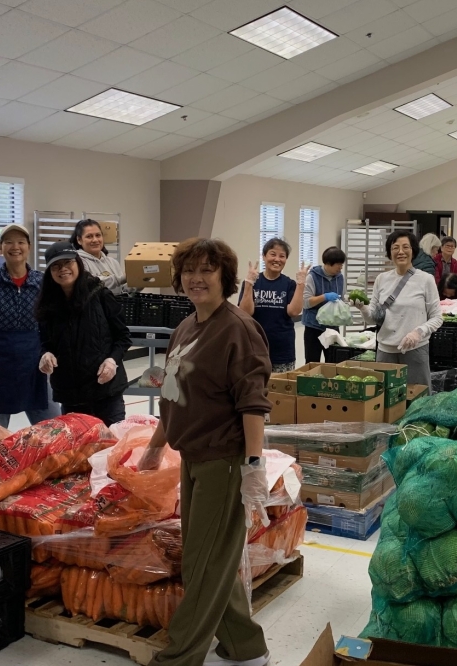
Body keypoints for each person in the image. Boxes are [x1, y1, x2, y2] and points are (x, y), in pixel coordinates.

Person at [137, 238, 272, 666]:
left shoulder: (238, 329)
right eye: (189, 270)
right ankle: (245, 647)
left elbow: (252, 403)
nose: (197, 278)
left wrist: (254, 465)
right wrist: (156, 447)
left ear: (225, 277)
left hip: (225, 460)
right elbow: (174, 394)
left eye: (207, 270)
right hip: (193, 458)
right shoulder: (188, 326)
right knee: (211, 557)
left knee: (202, 563)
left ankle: (179, 657)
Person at [0, 223, 60, 432]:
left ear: (28, 246)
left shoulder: (41, 281)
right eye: (9, 242)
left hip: (34, 363)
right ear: (1, 247)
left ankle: (55, 464)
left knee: (53, 430)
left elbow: (51, 323)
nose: (15, 247)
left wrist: (51, 352)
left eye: (21, 242)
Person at [36, 242, 132, 427]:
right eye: (56, 266)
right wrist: (45, 355)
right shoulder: (48, 304)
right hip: (71, 393)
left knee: (112, 446)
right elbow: (45, 342)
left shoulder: (100, 293)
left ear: (78, 263)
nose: (63, 269)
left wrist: (112, 361)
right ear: (49, 272)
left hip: (106, 389)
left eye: (67, 263)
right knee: (79, 451)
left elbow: (122, 337)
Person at [353, 230, 441, 388]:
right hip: (385, 351)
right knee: (385, 399)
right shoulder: (382, 279)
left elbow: (437, 317)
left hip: (415, 350)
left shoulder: (426, 279)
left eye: (406, 247)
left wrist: (418, 332)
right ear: (389, 252)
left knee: (417, 400)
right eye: (395, 248)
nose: (401, 252)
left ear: (413, 250)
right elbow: (374, 317)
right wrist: (363, 309)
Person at [238, 239, 307, 373]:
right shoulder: (253, 282)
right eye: (273, 254)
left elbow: (294, 311)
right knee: (254, 389)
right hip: (254, 347)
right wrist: (248, 283)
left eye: (282, 256)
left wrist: (301, 284)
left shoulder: (289, 284)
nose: (277, 259)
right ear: (264, 256)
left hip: (282, 349)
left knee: (280, 390)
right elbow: (245, 312)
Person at [302, 246, 346, 363]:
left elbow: (342, 297)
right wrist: (324, 296)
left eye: (342, 264)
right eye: (339, 264)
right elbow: (306, 303)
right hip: (314, 327)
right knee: (312, 362)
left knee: (333, 362)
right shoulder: (312, 277)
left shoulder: (340, 277)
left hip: (333, 328)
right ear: (328, 263)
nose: (341, 267)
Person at [72, 219, 130, 295]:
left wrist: (138, 281)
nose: (95, 240)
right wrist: (121, 278)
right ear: (79, 240)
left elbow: (122, 291)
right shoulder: (77, 262)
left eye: (98, 235)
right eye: (89, 236)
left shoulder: (113, 262)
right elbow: (92, 285)